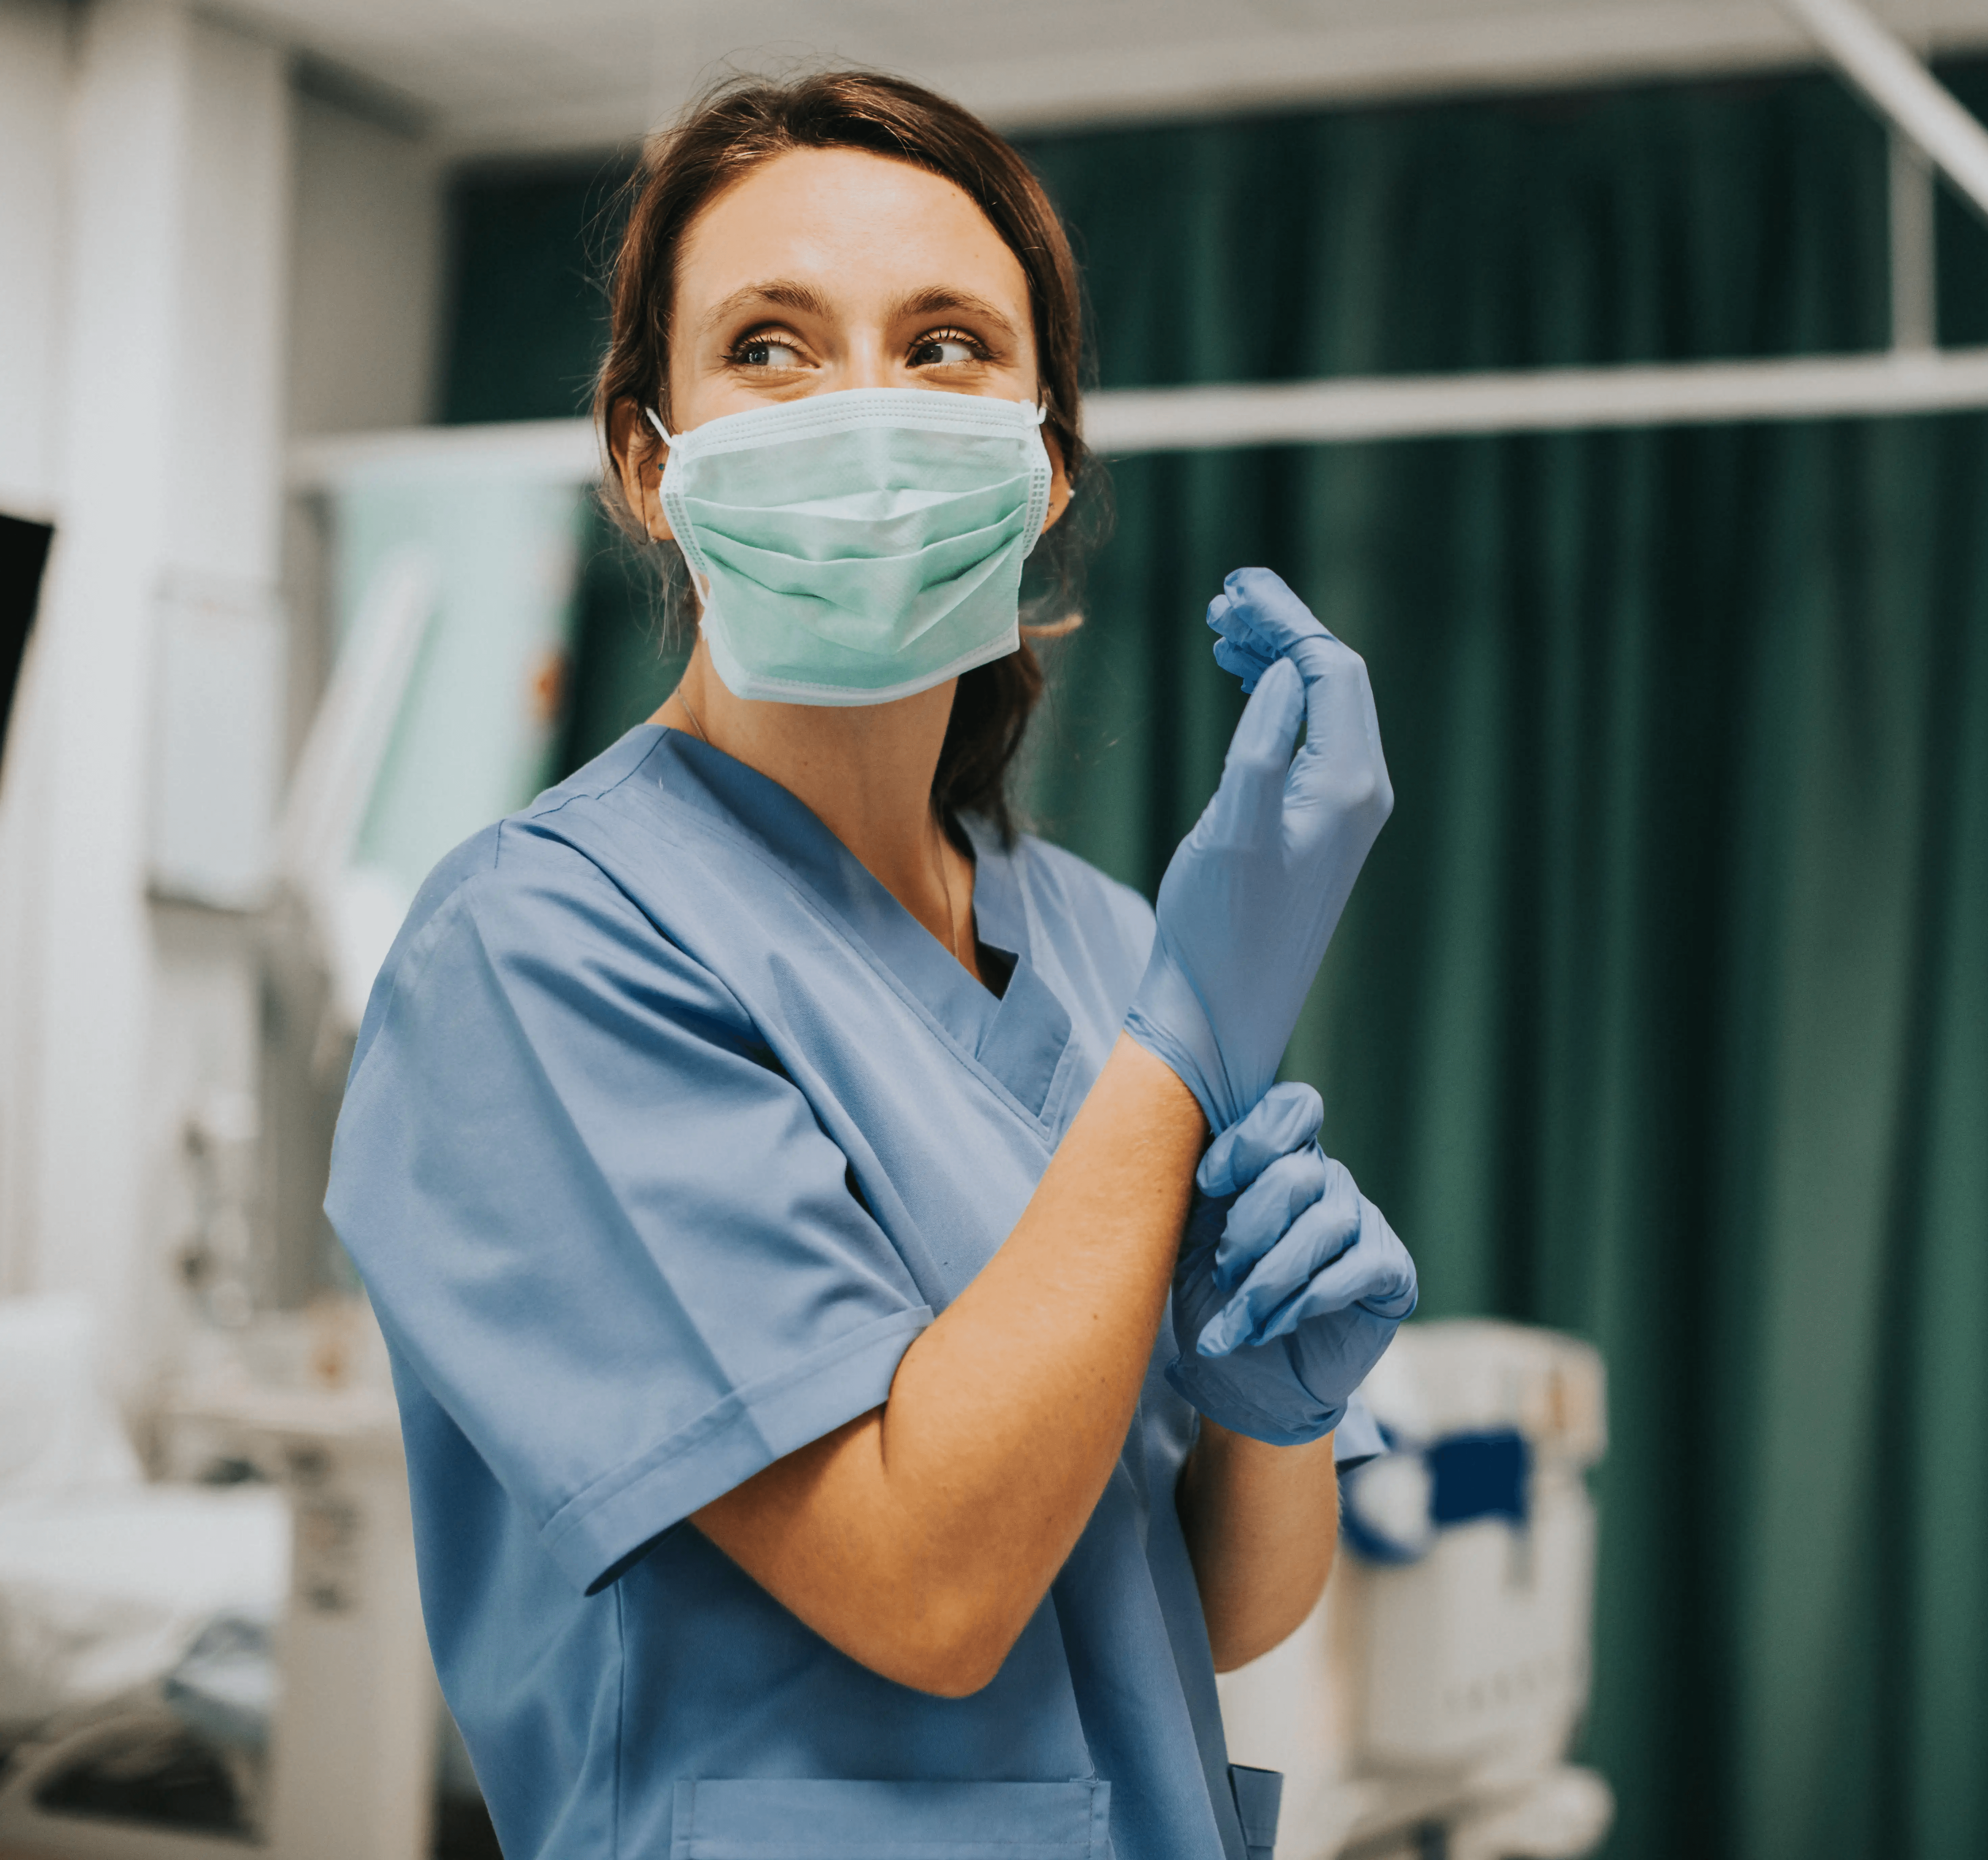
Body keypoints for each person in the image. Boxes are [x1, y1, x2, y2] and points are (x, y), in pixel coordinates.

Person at [326, 70, 1414, 1860]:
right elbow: (929, 1588)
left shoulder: (1103, 946)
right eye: (769, 343)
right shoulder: (536, 950)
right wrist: (1185, 1050)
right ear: (644, 464)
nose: (864, 411)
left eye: (945, 345)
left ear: (1045, 461)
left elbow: (1189, 1617)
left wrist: (1272, 1415)